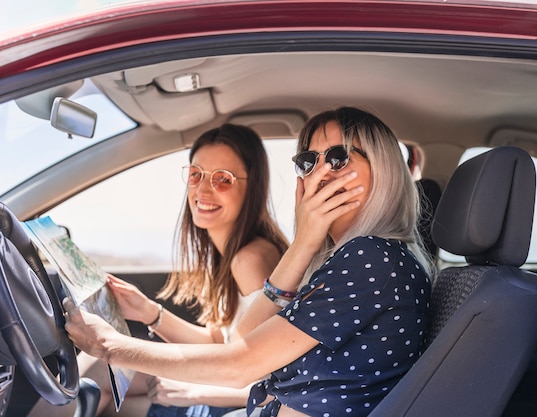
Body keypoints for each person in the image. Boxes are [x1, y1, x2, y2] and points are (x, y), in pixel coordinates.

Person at [64, 106, 434, 417]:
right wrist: (304, 242)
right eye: (308, 161)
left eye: (337, 157)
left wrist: (110, 345)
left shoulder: (373, 259)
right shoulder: (346, 261)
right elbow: (242, 339)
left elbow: (240, 365)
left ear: (382, 170)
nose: (320, 173)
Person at [30, 124, 289, 417]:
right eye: (196, 175)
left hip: (241, 402)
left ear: (252, 187)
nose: (203, 189)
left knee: (101, 379)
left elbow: (268, 372)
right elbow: (220, 341)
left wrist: (194, 392)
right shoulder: (231, 255)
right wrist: (150, 313)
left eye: (222, 180)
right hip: (226, 387)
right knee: (104, 383)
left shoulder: (251, 259)